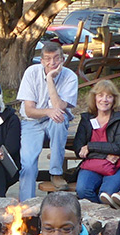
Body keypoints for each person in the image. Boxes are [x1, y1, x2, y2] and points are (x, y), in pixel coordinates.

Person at [17, 41, 78, 200]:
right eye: (48, 59)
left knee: (59, 118)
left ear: (62, 59)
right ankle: (26, 204)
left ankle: (56, 173)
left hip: (56, 121)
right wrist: (47, 111)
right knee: (28, 163)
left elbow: (58, 106)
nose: (52, 63)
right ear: (42, 61)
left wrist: (50, 79)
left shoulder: (70, 76)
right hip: (32, 122)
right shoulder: (31, 72)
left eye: (56, 58)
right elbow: (29, 111)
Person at [73, 80, 120, 205]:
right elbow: (78, 149)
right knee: (82, 191)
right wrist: (103, 155)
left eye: (109, 96)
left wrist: (90, 146)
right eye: (100, 95)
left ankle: (106, 218)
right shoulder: (86, 119)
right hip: (92, 164)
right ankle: (97, 217)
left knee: (106, 194)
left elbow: (119, 147)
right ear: (94, 98)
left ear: (114, 100)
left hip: (118, 164)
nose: (104, 100)